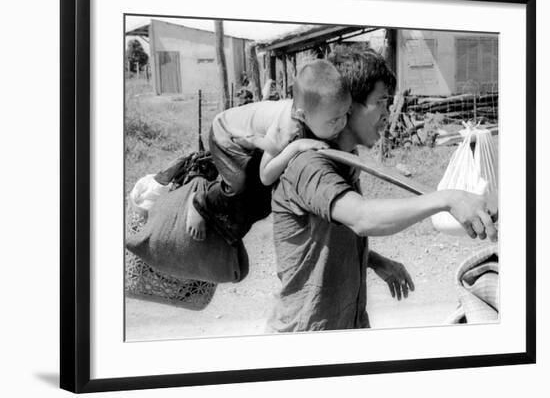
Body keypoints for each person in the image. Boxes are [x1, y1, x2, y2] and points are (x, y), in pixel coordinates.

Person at [266, 47, 498, 332]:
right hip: (306, 339)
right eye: (381, 102)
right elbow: (362, 218)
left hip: (345, 327)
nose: (388, 114)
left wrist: (374, 260)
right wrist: (447, 198)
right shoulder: (309, 164)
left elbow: (326, 236)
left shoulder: (346, 161)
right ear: (348, 105)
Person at [186, 59, 351, 243]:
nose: (342, 123)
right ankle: (201, 202)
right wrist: (296, 147)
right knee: (240, 185)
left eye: (346, 114)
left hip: (255, 141)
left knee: (263, 200)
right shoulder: (286, 129)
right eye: (333, 120)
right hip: (225, 135)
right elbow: (265, 175)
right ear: (303, 116)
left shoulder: (315, 114)